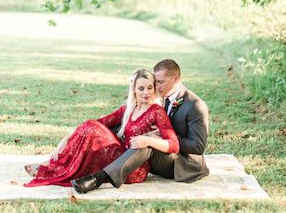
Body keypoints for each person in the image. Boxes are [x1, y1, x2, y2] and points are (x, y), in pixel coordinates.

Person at [71, 59, 209, 193]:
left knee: (146, 143)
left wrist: (159, 137)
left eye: (160, 82)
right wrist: (80, 132)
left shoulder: (195, 105)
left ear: (176, 79)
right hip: (160, 154)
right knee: (123, 125)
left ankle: (98, 178)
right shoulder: (162, 97)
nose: (156, 87)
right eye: (156, 82)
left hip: (183, 163)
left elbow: (198, 146)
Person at [24, 68, 179, 187]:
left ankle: (51, 166)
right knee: (91, 126)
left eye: (149, 88)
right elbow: (98, 122)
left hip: (133, 167)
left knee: (93, 129)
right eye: (141, 88)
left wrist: (148, 141)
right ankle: (53, 163)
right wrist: (67, 137)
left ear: (154, 89)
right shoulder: (129, 109)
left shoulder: (156, 111)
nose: (146, 93)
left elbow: (174, 145)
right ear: (134, 90)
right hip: (119, 154)